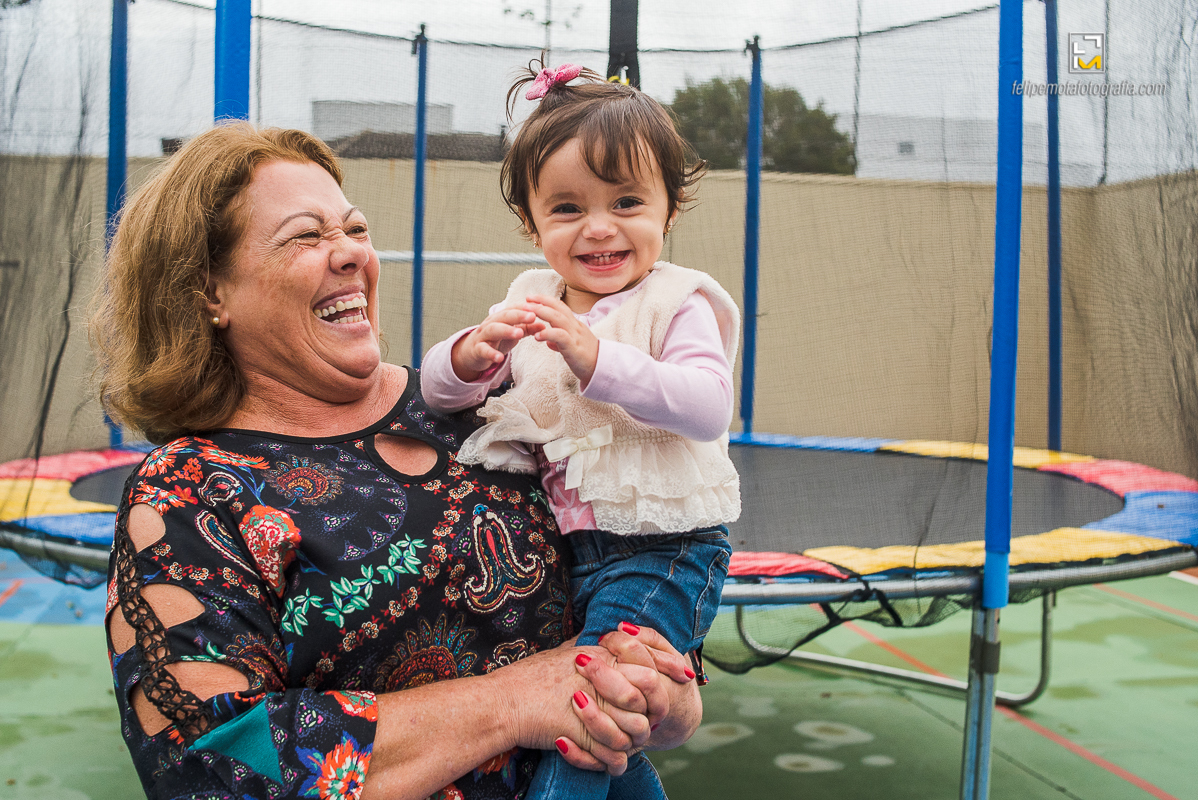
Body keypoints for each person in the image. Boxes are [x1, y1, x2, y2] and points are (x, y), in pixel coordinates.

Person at [91, 121, 703, 800]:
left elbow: (639, 583)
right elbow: (215, 767)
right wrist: (509, 704)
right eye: (306, 236)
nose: (351, 254)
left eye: (354, 229)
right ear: (210, 291)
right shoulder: (191, 491)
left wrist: (661, 696)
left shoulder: (492, 407)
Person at [419, 62, 740, 800]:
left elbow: (706, 405)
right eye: (567, 209)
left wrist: (599, 359)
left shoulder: (674, 302)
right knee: (615, 723)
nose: (599, 228)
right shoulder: (528, 301)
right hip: (574, 554)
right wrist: (474, 351)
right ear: (533, 225)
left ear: (669, 210)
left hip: (663, 547)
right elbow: (439, 393)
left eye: (627, 200)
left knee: (585, 708)